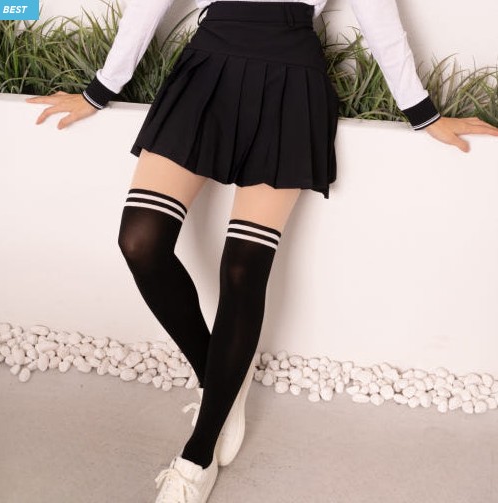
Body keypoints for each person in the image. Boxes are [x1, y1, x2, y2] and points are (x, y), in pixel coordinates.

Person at [26, 1, 498, 501]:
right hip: (207, 70)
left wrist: (423, 114)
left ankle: (198, 454)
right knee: (140, 241)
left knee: (243, 270)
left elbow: (379, 18)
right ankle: (220, 382)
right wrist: (99, 91)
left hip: (290, 83)